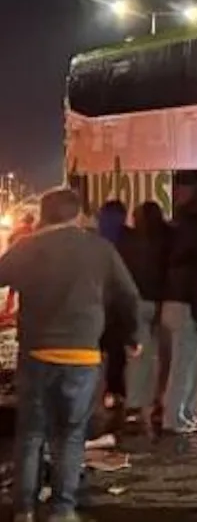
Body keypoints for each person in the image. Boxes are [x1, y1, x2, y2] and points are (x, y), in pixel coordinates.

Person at [0, 187, 143, 522]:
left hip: (36, 353)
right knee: (70, 435)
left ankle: (24, 509)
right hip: (82, 356)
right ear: (78, 214)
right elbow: (129, 295)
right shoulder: (100, 249)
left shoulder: (28, 247)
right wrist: (132, 336)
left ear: (43, 215)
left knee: (31, 434)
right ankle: (63, 509)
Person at [161, 197, 197, 434]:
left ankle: (186, 413)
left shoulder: (173, 244)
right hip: (186, 309)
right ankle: (174, 418)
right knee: (184, 366)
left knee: (187, 364)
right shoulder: (196, 252)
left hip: (171, 306)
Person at [121, 201, 172, 428]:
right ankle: (159, 400)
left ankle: (134, 404)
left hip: (137, 303)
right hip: (163, 301)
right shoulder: (167, 239)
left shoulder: (127, 241)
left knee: (137, 355)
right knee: (164, 355)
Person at [95, 200, 134, 410]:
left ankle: (98, 392)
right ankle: (114, 390)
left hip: (96, 300)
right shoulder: (129, 238)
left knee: (98, 347)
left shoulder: (94, 240)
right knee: (117, 349)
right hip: (117, 301)